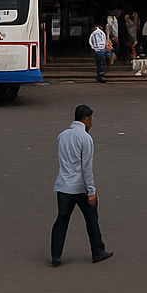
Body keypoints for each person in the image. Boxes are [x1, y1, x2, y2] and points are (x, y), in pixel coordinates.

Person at [50, 104, 113, 266]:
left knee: (61, 220)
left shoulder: (62, 135)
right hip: (80, 187)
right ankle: (98, 251)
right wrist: (91, 191)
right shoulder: (85, 138)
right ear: (86, 119)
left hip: (63, 186)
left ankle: (55, 255)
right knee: (91, 219)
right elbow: (86, 168)